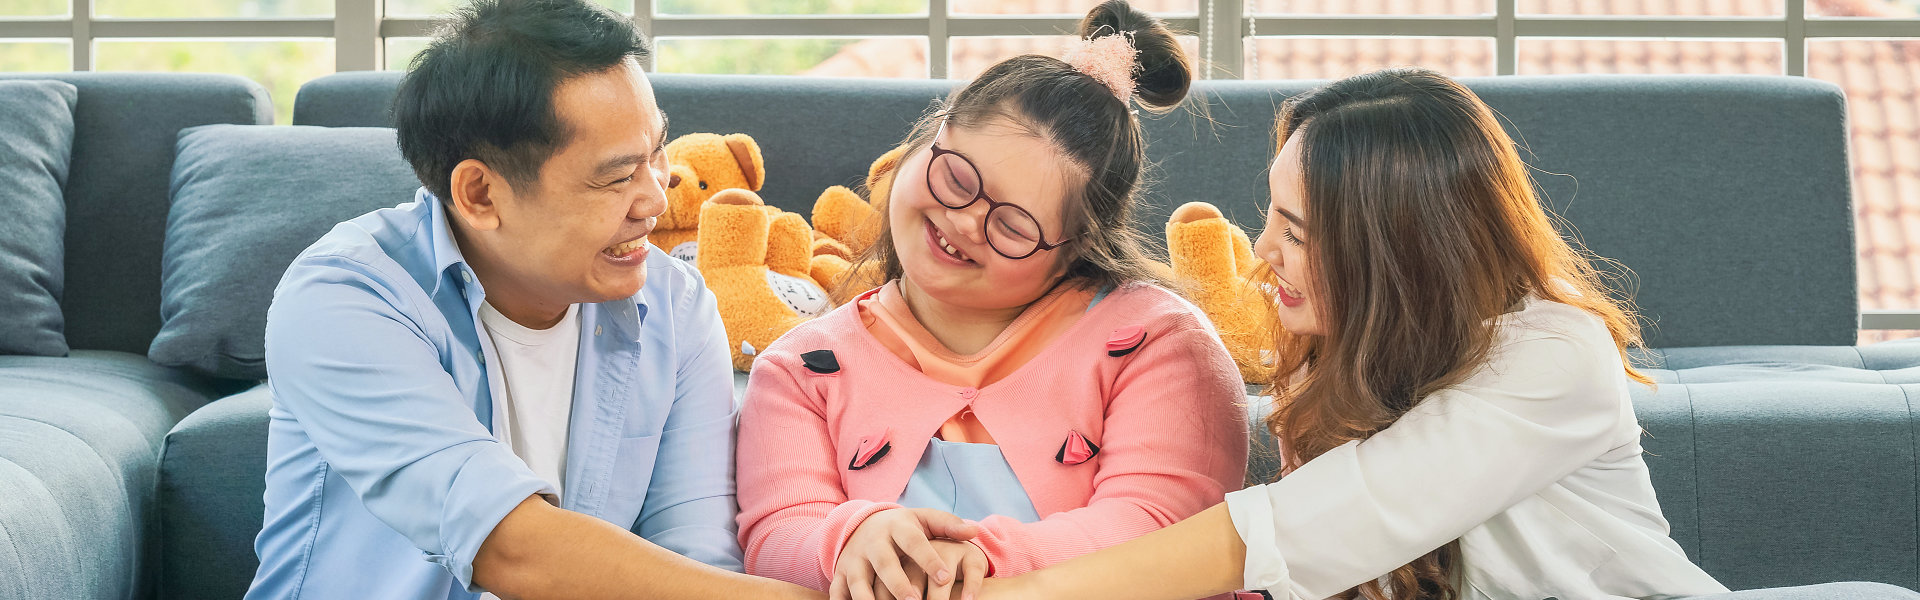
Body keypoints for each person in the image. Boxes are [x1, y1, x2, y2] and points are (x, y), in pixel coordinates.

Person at [973, 68, 1920, 600]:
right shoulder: (1361, 345)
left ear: (1395, 246)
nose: (1261, 254)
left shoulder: (1550, 354)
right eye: (1273, 216)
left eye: (1298, 232)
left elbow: (1294, 532)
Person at [246, 1, 828, 598]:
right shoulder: (342, 298)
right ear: (479, 194)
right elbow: (508, 546)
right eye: (615, 176)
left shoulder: (676, 308)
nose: (656, 199)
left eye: (656, 153)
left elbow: (695, 559)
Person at [733, 3, 1249, 600]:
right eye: (955, 177)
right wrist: (852, 536)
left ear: (1075, 247)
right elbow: (776, 534)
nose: (965, 222)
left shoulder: (1158, 345)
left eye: (1013, 226)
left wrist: (974, 562)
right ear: (927, 139)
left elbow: (1161, 530)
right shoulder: (802, 368)